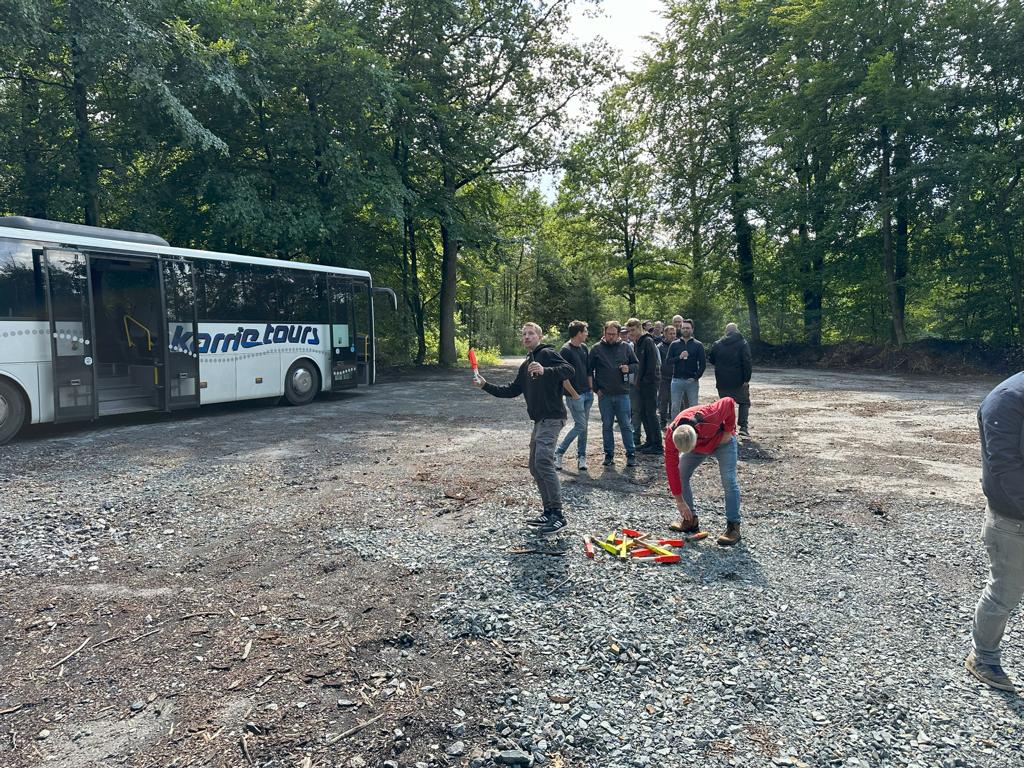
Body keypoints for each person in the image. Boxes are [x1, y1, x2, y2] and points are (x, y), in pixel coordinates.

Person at [473, 322, 574, 536]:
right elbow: (511, 390)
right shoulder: (526, 363)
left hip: (552, 417)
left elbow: (569, 369)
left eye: (531, 333)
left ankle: (558, 515)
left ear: (539, 336)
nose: (527, 337)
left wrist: (545, 370)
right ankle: (548, 511)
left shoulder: (547, 353)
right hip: (540, 421)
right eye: (524, 334)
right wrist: (485, 385)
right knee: (535, 466)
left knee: (543, 461)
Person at [966, 372, 1024, 691]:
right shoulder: (1005, 401)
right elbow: (1005, 467)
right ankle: (983, 657)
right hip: (1012, 521)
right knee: (1005, 593)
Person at [663, 396, 742, 546]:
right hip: (698, 447)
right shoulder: (672, 436)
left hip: (722, 441)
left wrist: (728, 430)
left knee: (728, 480)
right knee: (681, 473)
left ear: (695, 437)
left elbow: (729, 402)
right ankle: (690, 521)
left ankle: (733, 526)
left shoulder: (710, 415)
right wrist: (679, 501)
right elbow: (671, 469)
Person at [588, 320, 639, 467]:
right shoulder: (596, 349)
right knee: (607, 426)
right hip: (605, 395)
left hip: (623, 393)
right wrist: (596, 389)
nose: (610, 336)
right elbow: (589, 370)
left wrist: (628, 368)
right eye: (608, 334)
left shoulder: (626, 347)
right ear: (604, 333)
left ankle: (631, 453)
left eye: (613, 334)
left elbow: (636, 365)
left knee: (626, 425)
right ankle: (609, 454)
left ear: (618, 334)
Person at [554, 320, 592, 472]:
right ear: (578, 333)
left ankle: (581, 457)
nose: (587, 334)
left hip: (587, 393)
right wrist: (574, 394)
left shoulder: (584, 347)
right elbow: (563, 377)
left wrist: (591, 389)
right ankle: (558, 453)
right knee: (581, 425)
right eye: (585, 331)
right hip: (574, 396)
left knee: (584, 427)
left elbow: (588, 370)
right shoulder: (565, 350)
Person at [708, 322, 752, 436]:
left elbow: (711, 359)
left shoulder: (717, 344)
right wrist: (746, 379)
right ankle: (743, 427)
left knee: (726, 405)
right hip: (739, 380)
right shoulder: (743, 343)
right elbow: (747, 361)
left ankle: (729, 429)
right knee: (744, 402)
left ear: (726, 331)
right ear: (737, 331)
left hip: (722, 380)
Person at [626, 318, 662, 455]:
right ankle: (650, 441)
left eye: (633, 330)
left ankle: (657, 445)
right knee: (643, 413)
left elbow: (652, 364)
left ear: (639, 328)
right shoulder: (637, 343)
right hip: (640, 384)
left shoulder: (647, 341)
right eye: (629, 331)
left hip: (649, 384)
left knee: (651, 413)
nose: (631, 333)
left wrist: (645, 381)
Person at [667, 318, 706, 417]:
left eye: (688, 328)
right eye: (683, 328)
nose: (685, 330)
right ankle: (675, 425)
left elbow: (703, 364)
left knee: (693, 408)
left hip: (692, 381)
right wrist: (679, 357)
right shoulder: (674, 344)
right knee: (675, 407)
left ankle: (692, 425)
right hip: (677, 380)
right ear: (680, 329)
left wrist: (696, 377)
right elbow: (668, 361)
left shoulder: (698, 345)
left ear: (692, 329)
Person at [657, 325, 677, 428]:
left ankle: (675, 422)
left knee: (676, 402)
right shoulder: (659, 347)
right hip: (664, 378)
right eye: (670, 334)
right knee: (663, 401)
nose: (672, 336)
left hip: (677, 377)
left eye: (674, 333)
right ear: (664, 334)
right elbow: (657, 363)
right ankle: (663, 422)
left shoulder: (679, 345)